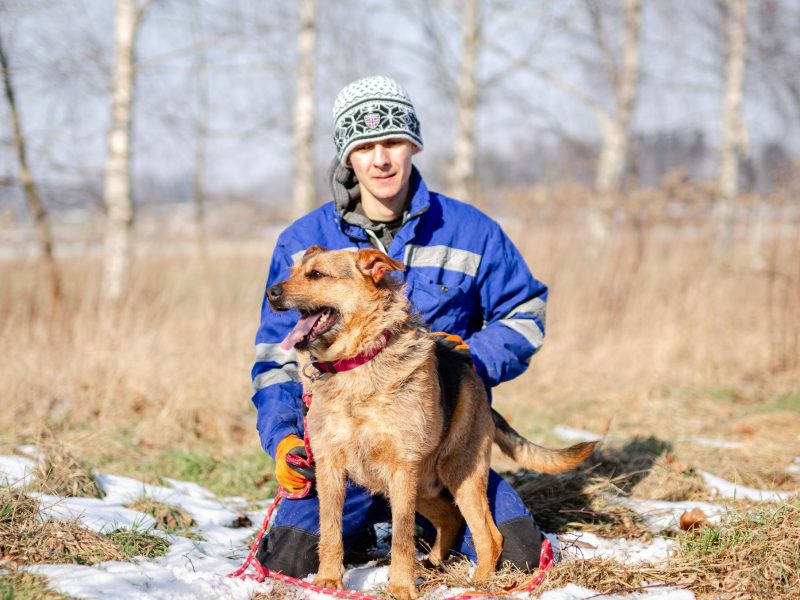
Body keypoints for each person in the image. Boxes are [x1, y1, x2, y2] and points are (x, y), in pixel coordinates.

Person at [251, 75, 549, 576]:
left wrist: (471, 356)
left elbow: (526, 312)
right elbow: (274, 354)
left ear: (413, 145)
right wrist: (283, 436)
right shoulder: (304, 239)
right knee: (287, 559)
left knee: (518, 555)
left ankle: (422, 527)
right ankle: (369, 526)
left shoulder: (471, 230)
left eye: (391, 142)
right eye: (364, 146)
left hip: (434, 440)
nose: (380, 159)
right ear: (348, 157)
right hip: (342, 441)